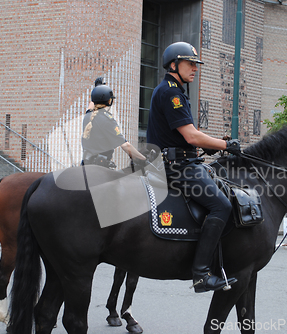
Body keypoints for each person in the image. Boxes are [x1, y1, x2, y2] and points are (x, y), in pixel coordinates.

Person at [146, 41, 240, 293]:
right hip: (177, 167)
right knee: (222, 205)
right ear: (174, 64)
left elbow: (188, 136)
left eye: (196, 64)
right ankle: (201, 274)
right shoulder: (172, 93)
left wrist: (208, 145)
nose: (195, 68)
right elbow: (191, 136)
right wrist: (224, 145)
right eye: (190, 63)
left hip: (176, 160)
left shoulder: (169, 90)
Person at [81, 80, 145, 168]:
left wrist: (97, 89)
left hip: (85, 166)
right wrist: (143, 159)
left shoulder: (88, 115)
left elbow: (92, 104)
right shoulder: (107, 120)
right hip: (100, 169)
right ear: (110, 101)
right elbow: (125, 145)